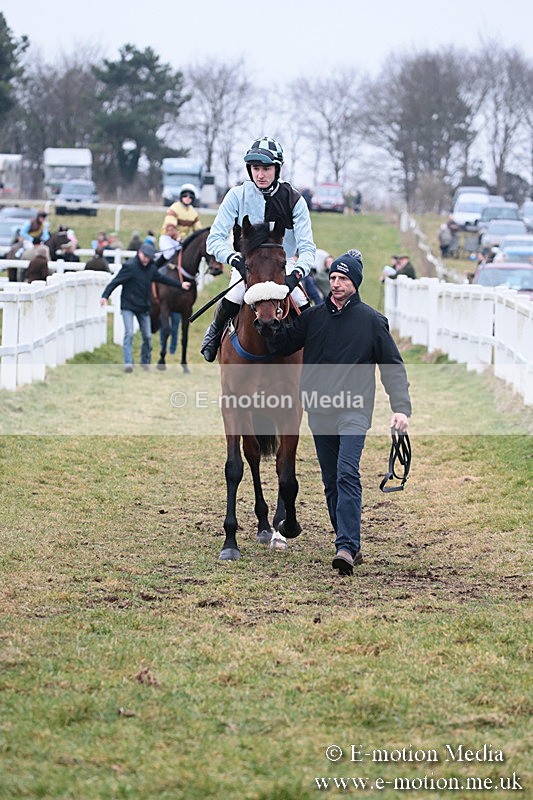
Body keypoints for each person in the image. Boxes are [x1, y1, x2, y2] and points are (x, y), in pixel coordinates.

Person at [258, 249, 412, 576]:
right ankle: (347, 543)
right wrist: (268, 323)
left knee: (346, 473)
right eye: (333, 278)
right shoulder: (313, 318)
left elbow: (392, 366)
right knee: (330, 480)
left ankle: (345, 545)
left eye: (343, 278)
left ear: (355, 282)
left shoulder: (371, 321)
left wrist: (401, 407)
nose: (336, 283)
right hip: (320, 410)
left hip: (354, 410)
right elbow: (282, 344)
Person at [201, 136, 316, 362]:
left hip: (283, 264)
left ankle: (314, 351)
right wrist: (235, 260)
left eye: (266, 168)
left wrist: (296, 275)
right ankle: (214, 333)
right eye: (255, 168)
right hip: (248, 264)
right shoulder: (236, 195)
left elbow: (308, 248)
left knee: (303, 304)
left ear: (277, 169)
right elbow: (213, 240)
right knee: (234, 295)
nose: (260, 175)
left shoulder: (294, 200)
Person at [99, 242, 191, 372]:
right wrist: (105, 296)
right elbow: (115, 281)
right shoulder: (129, 267)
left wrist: (180, 285)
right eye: (145, 256)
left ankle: (145, 362)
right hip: (128, 306)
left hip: (143, 307)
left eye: (149, 257)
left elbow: (163, 279)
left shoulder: (151, 268)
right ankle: (128, 363)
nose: (147, 260)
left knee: (147, 336)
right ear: (140, 253)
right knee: (129, 333)